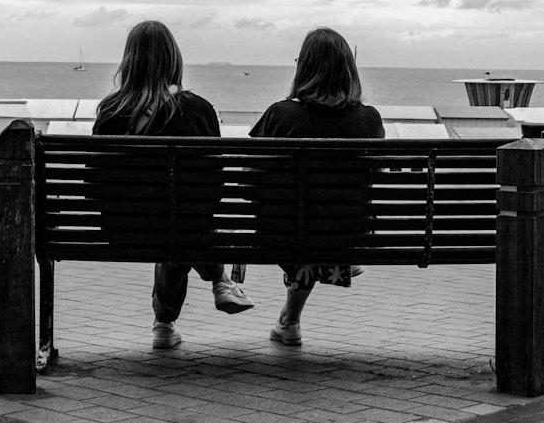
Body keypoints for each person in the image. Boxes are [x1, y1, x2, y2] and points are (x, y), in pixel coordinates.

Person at [93, 20, 253, 348]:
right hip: (187, 227)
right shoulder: (198, 110)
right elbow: (216, 185)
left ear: (129, 61)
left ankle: (164, 325)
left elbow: (92, 183)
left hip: (122, 230)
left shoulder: (110, 111)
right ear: (174, 59)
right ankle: (217, 282)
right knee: (181, 223)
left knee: (173, 224)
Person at [250, 27, 384, 346]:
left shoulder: (280, 115)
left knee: (300, 229)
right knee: (315, 230)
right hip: (346, 234)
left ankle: (290, 320)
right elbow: (373, 177)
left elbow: (249, 181)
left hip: (284, 233)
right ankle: (290, 320)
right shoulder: (368, 120)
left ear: (304, 68)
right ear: (348, 69)